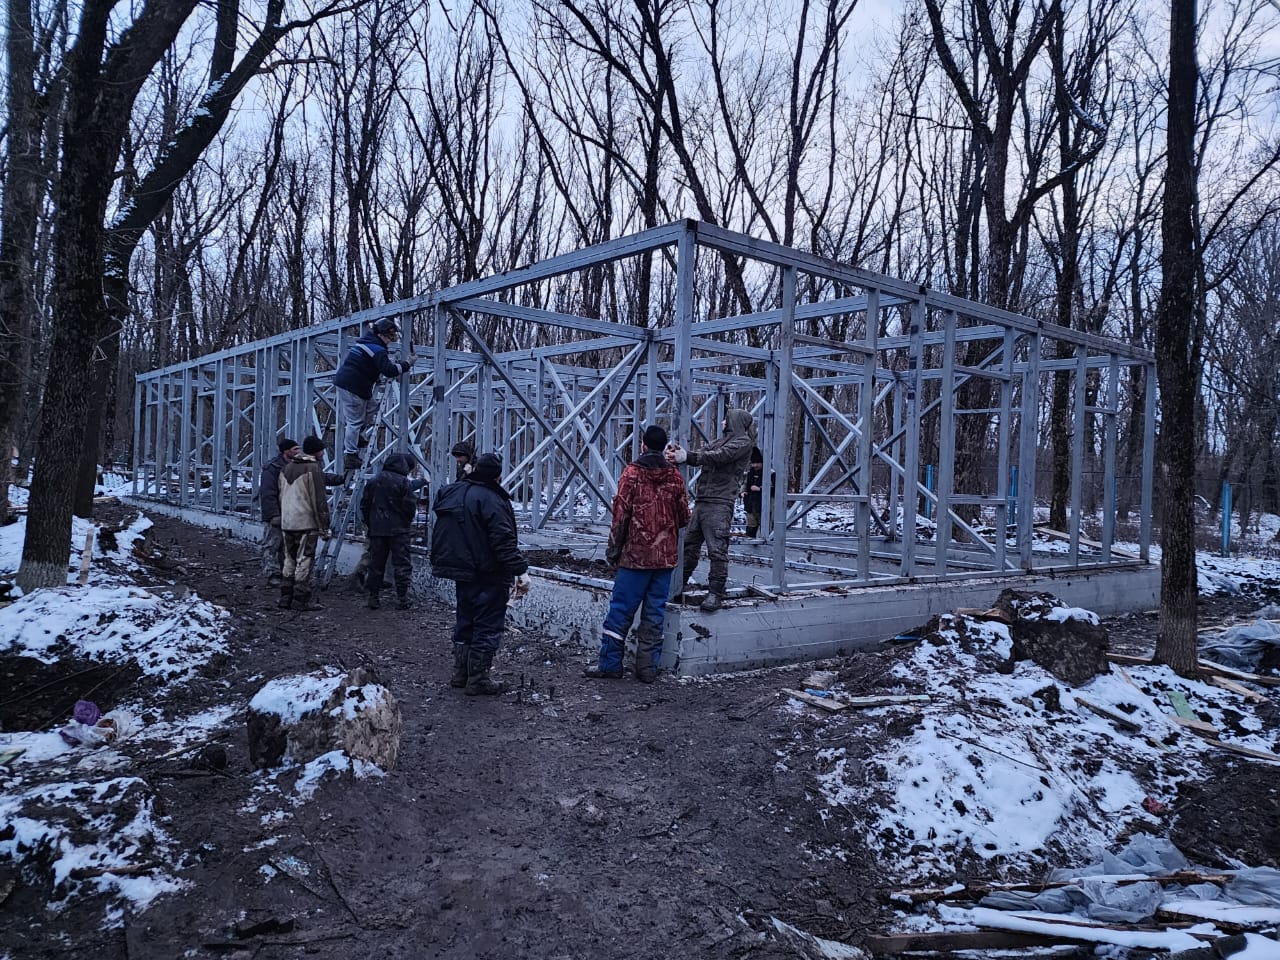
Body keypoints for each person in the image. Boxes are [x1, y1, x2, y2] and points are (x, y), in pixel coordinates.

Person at [585, 425, 691, 683]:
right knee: (654, 613)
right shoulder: (675, 477)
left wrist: (613, 550)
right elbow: (684, 517)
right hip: (664, 559)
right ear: (665, 447)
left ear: (643, 445)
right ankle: (647, 669)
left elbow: (620, 516)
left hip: (635, 556)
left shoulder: (632, 474)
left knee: (620, 611)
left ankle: (610, 664)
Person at [430, 453, 531, 695]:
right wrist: (519, 569)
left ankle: (460, 673)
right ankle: (478, 679)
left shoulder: (451, 491)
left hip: (460, 568)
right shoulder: (492, 499)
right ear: (498, 476)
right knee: (487, 624)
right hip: (488, 571)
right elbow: (502, 540)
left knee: (465, 620)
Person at [665, 408, 757, 612]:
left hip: (720, 503)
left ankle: (715, 592)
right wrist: (684, 455)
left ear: (736, 422)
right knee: (689, 545)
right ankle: (678, 585)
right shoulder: (721, 440)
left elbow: (720, 456)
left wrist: (688, 456)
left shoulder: (742, 442)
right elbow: (707, 452)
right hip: (703, 500)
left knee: (717, 550)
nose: (723, 422)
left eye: (726, 419)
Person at [332, 318, 412, 472]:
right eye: (389, 337)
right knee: (354, 421)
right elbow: (389, 370)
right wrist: (407, 364)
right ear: (380, 334)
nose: (390, 340)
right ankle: (351, 455)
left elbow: (373, 366)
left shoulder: (366, 343)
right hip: (353, 386)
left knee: (372, 408)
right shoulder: (376, 349)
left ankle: (358, 437)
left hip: (355, 385)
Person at [278, 436, 332, 611]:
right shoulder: (313, 469)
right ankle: (300, 599)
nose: (323, 452)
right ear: (316, 451)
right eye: (322, 450)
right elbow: (319, 500)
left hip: (287, 522)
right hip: (306, 523)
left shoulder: (287, 468)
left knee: (289, 559)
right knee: (305, 560)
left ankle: (285, 597)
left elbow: (281, 496)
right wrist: (324, 527)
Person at [360, 453, 419, 611]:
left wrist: (370, 523)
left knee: (376, 563)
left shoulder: (373, 481)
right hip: (399, 530)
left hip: (377, 529)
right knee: (402, 564)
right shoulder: (404, 483)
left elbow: (364, 505)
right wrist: (406, 522)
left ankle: (373, 597)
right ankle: (402, 598)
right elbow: (409, 507)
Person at [260, 438, 299, 587]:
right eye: (295, 449)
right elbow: (268, 492)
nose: (298, 452)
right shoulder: (273, 467)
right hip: (278, 512)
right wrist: (273, 515)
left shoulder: (297, 466)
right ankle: (272, 574)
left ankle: (286, 573)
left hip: (293, 513)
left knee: (289, 546)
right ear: (286, 451)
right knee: (272, 544)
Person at [743, 446, 767, 539]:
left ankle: (764, 543)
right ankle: (750, 543)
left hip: (764, 505)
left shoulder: (770, 473)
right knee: (751, 526)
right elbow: (745, 485)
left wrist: (760, 489)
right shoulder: (750, 473)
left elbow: (774, 489)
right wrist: (743, 492)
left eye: (757, 463)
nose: (755, 465)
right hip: (751, 504)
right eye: (753, 463)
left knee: (765, 526)